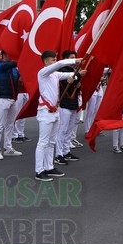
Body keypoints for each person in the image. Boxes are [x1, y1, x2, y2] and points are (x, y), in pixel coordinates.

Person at [34, 50, 82, 181]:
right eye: (52, 60)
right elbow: (60, 64)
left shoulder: (55, 74)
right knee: (43, 142)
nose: (55, 62)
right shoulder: (43, 73)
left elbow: (70, 74)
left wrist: (77, 73)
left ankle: (49, 167)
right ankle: (39, 170)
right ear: (46, 62)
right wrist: (75, 61)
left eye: (55, 59)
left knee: (51, 142)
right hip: (45, 112)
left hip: (55, 112)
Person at [54, 50, 86, 166]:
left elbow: (74, 84)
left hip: (73, 103)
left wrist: (77, 85)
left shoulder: (73, 70)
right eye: (72, 58)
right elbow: (66, 80)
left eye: (74, 57)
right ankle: (59, 154)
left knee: (70, 129)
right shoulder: (62, 70)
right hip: (64, 104)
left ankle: (66, 151)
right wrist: (78, 75)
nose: (74, 60)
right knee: (63, 129)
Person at [0, 50, 22, 160]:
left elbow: (20, 77)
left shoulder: (13, 69)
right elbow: (12, 64)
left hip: (13, 98)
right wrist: (23, 59)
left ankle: (8, 148)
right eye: (10, 53)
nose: (12, 56)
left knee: (10, 125)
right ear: (4, 55)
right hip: (3, 98)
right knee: (0, 125)